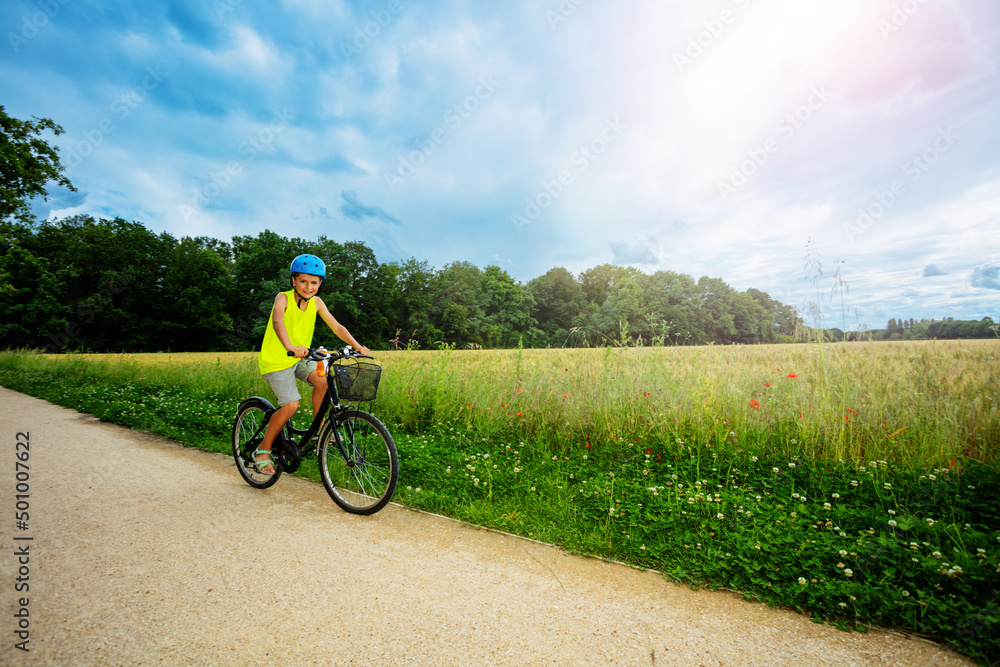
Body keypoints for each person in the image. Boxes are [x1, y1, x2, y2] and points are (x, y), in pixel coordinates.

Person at [254, 253, 370, 474]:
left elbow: (337, 326)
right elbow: (278, 321)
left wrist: (358, 346)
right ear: (293, 281)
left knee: (323, 382)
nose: (309, 286)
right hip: (277, 360)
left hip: (300, 358)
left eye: (314, 282)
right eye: (303, 281)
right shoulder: (283, 298)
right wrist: (290, 346)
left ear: (320, 284)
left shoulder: (317, 303)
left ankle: (318, 430)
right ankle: (263, 449)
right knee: (291, 405)